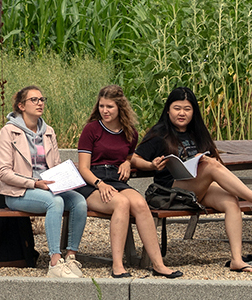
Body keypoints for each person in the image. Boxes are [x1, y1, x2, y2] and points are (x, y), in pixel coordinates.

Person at [136, 86, 252, 273]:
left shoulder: (197, 132)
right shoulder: (159, 134)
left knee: (231, 200)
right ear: (168, 110)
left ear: (193, 111)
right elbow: (134, 157)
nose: (182, 113)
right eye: (177, 108)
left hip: (197, 187)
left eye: (187, 109)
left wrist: (202, 161)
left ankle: (236, 259)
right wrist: (151, 165)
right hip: (172, 190)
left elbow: (216, 162)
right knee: (210, 166)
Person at [76, 85, 181, 279]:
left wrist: (126, 161)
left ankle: (158, 264)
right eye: (101, 106)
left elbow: (130, 155)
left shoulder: (130, 133)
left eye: (109, 107)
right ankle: (117, 265)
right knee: (122, 203)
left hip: (116, 180)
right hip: (92, 182)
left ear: (120, 108)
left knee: (140, 204)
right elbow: (83, 168)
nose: (104, 111)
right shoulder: (91, 129)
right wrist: (100, 183)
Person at [0, 85, 89, 278]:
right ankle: (55, 262)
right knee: (55, 202)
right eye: (34, 100)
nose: (40, 103)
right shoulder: (9, 132)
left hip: (48, 187)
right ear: (21, 106)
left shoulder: (49, 132)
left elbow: (55, 166)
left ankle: (71, 257)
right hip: (19, 192)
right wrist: (35, 183)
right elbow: (4, 173)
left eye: (42, 100)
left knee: (79, 201)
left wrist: (65, 178)